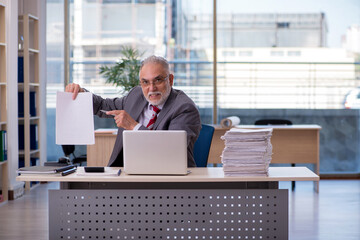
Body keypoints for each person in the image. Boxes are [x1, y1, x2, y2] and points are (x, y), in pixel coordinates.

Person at [65, 55, 201, 167]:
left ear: (170, 80)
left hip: (168, 179)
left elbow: (171, 151)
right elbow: (103, 106)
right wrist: (81, 93)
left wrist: (133, 126)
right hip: (127, 174)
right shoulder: (136, 95)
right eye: (145, 82)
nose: (151, 88)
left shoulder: (184, 108)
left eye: (158, 80)